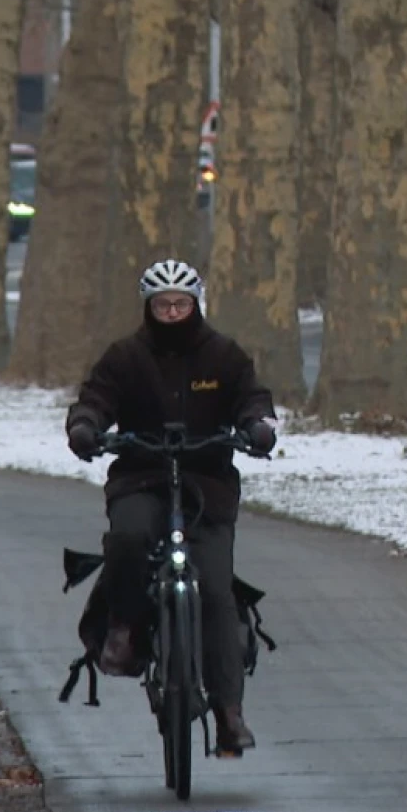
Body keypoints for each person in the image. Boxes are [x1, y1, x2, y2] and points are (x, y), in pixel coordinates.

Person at [65, 259, 278, 757]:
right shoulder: (126, 356)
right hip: (143, 475)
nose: (173, 312)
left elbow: (253, 399)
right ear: (149, 306)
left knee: (217, 593)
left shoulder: (223, 355)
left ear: (196, 304)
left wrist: (259, 427)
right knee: (128, 539)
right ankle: (126, 626)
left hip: (206, 483)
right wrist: (85, 427)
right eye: (163, 305)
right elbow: (95, 399)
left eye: (181, 304)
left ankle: (229, 714)